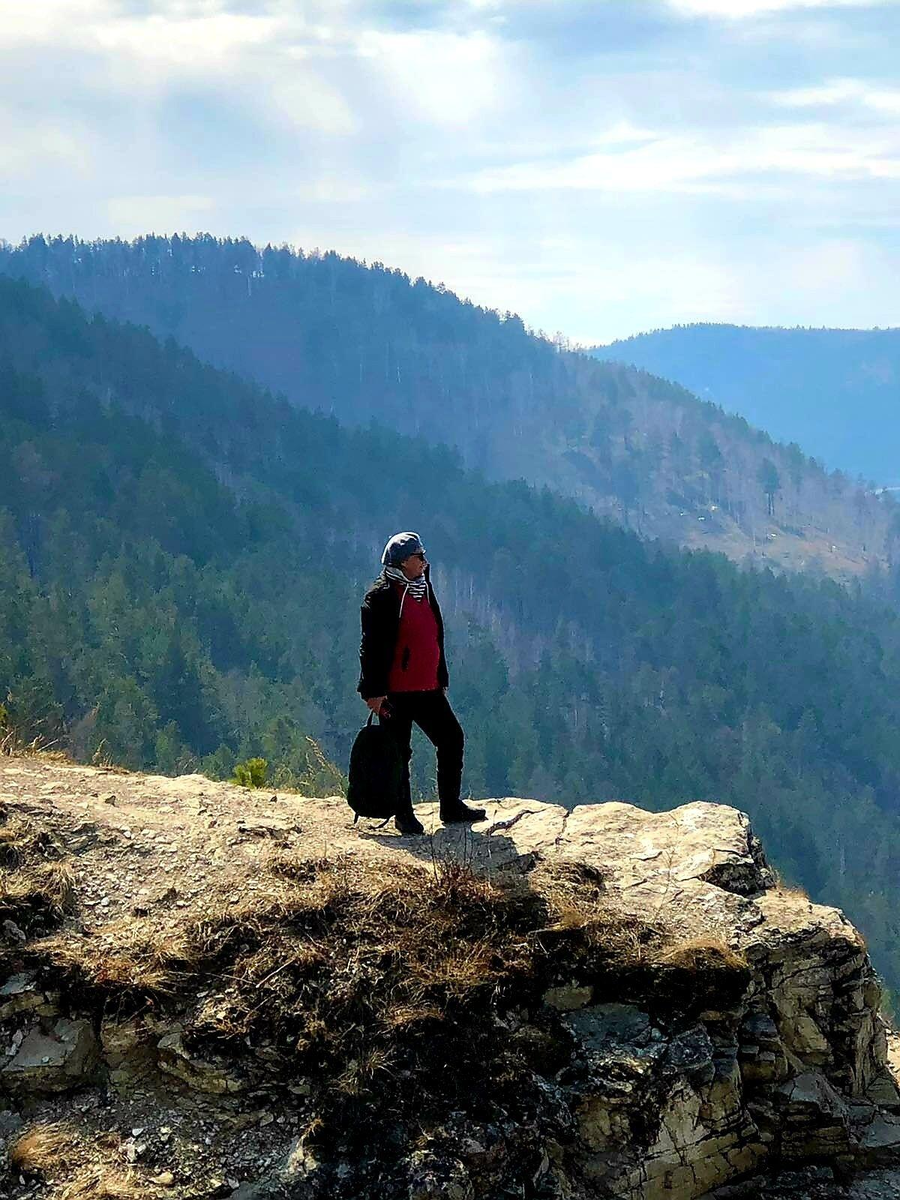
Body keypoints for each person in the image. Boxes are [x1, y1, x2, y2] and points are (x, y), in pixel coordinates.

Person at [357, 531, 486, 836]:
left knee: (452, 738)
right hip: (395, 693)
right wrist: (371, 692)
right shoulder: (381, 597)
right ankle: (404, 815)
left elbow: (434, 636)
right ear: (402, 562)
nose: (425, 563)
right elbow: (370, 647)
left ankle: (450, 806)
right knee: (399, 752)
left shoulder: (422, 589)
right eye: (419, 557)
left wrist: (440, 677)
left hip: (427, 688)